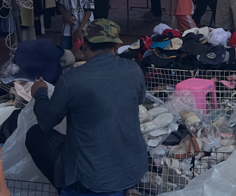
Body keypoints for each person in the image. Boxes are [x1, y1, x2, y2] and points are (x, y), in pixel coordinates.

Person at [27, 19, 148, 194]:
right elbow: (138, 99)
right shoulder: (134, 69)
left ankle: (65, 188)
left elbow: (46, 121)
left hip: (91, 177)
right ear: (115, 46)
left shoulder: (72, 79)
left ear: (84, 45)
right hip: (133, 169)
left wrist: (40, 93)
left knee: (35, 134)